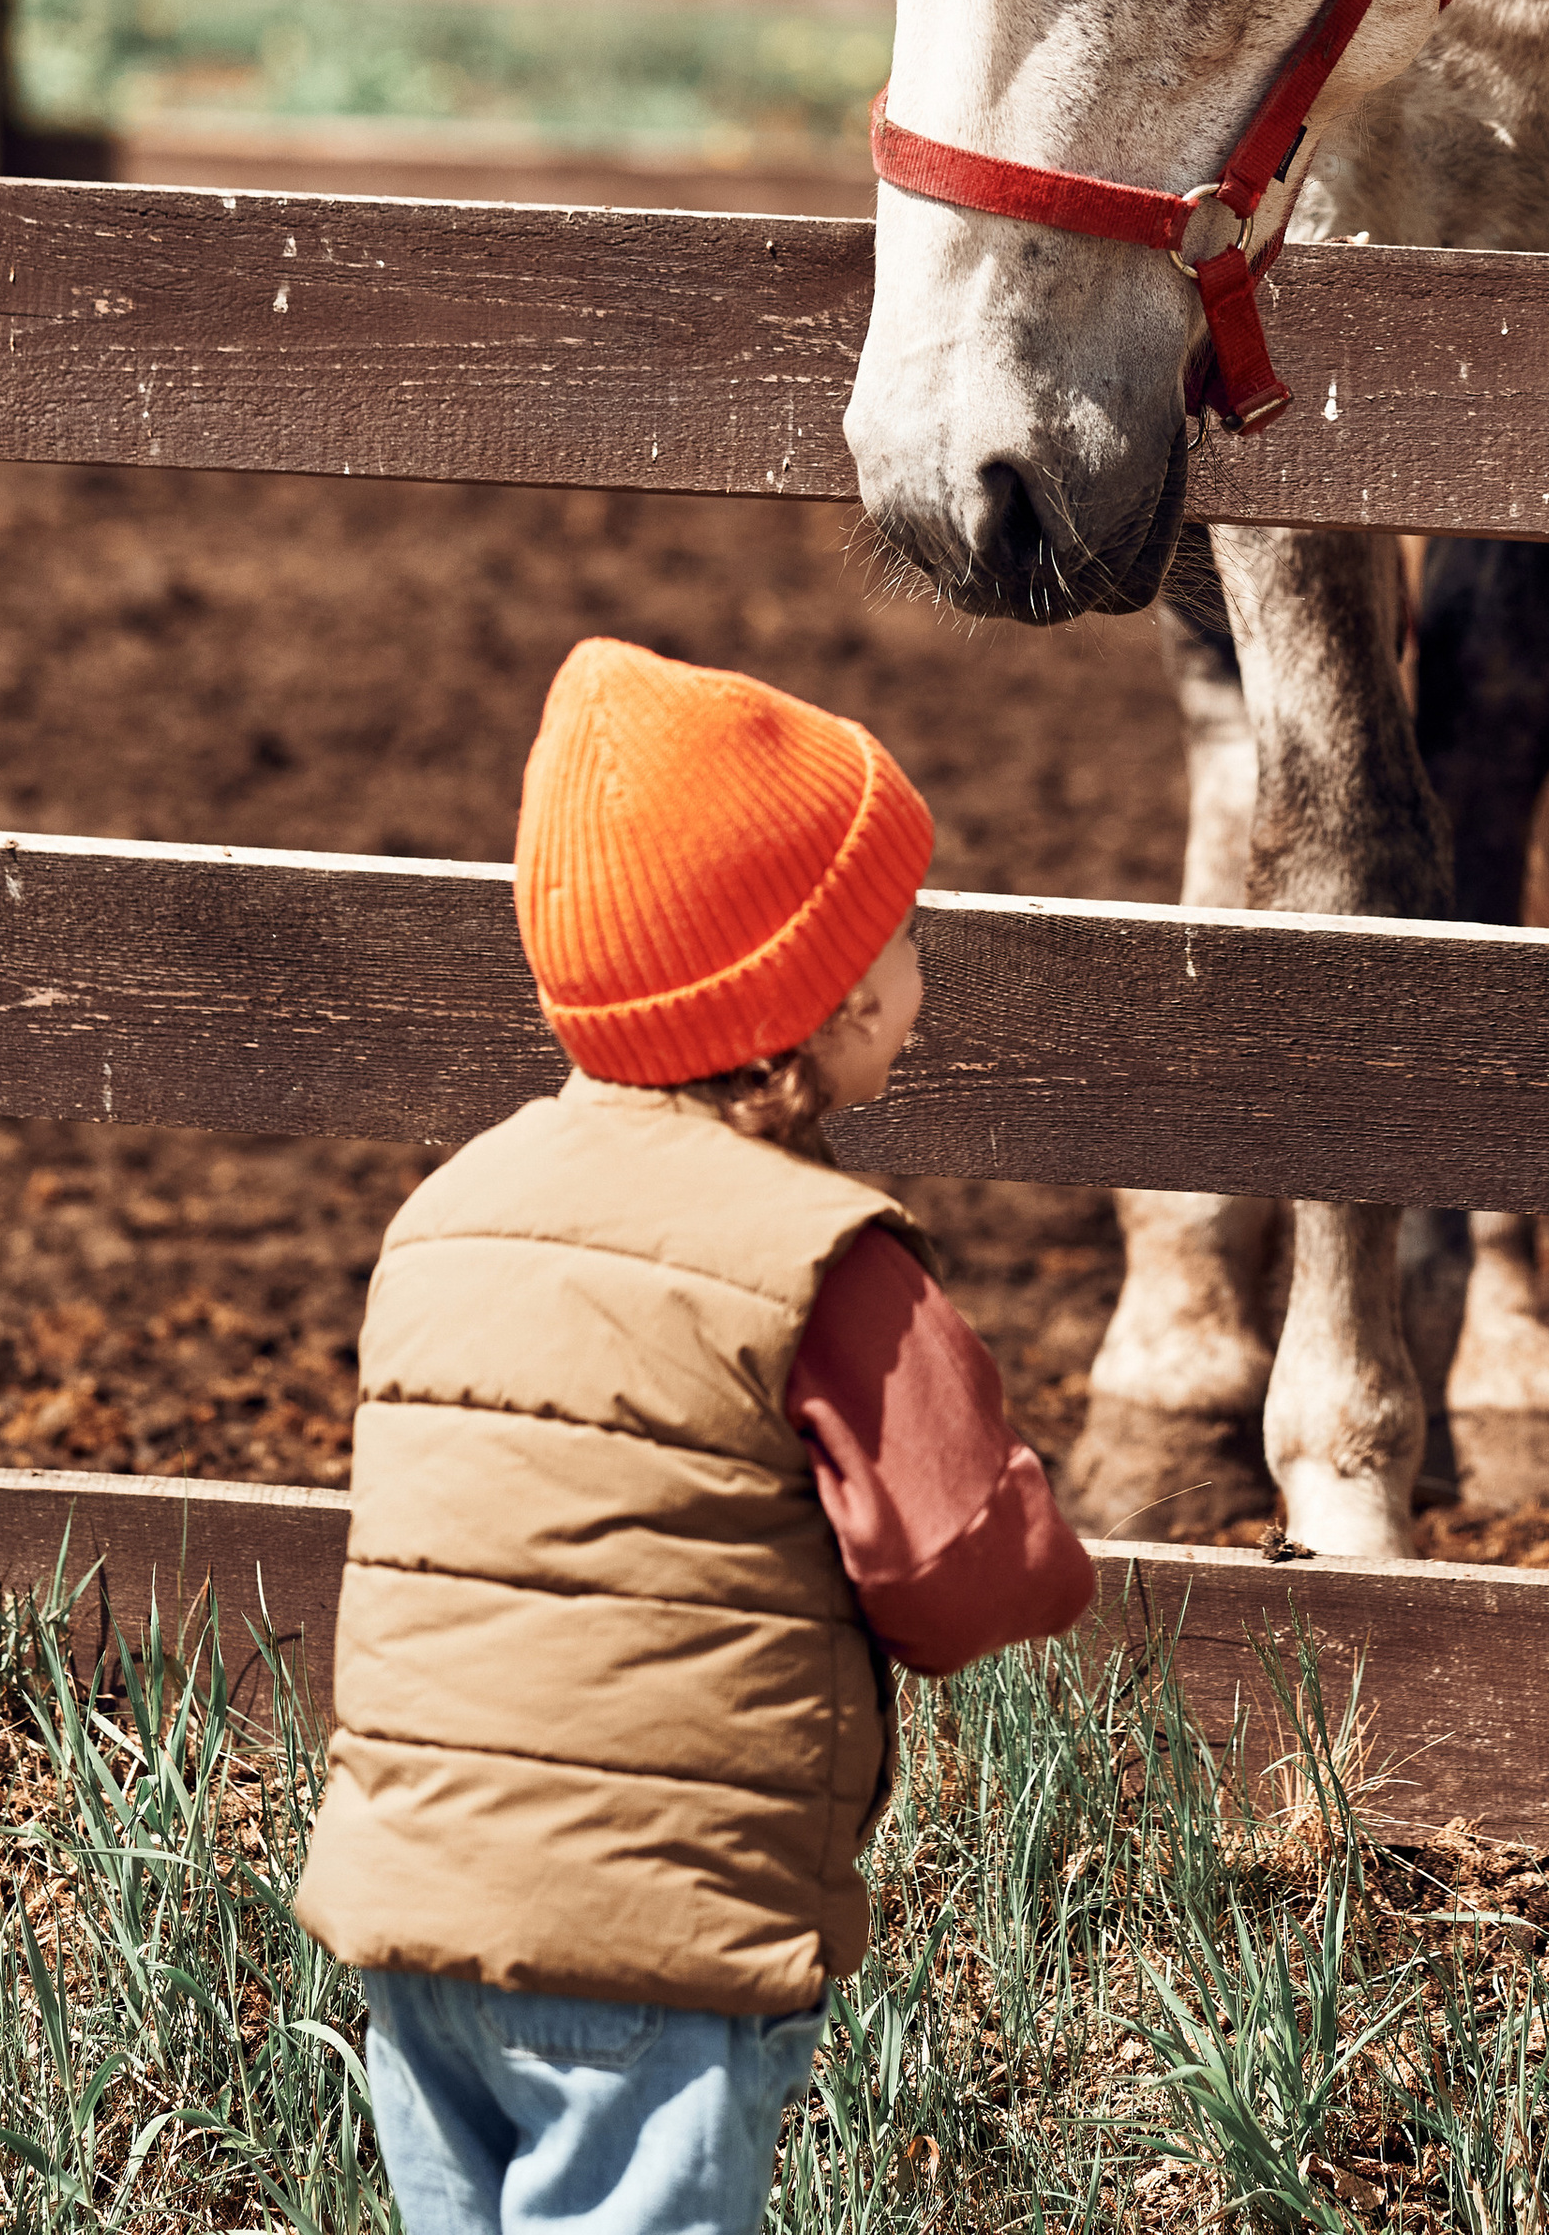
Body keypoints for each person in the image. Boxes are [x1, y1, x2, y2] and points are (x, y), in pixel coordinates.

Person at [294, 635, 1096, 2235]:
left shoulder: (450, 1210)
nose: (924, 984)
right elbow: (950, 1570)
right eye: (906, 937)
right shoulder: (825, 1262)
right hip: (638, 1947)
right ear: (829, 991)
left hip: (408, 1926)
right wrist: (1042, 1549)